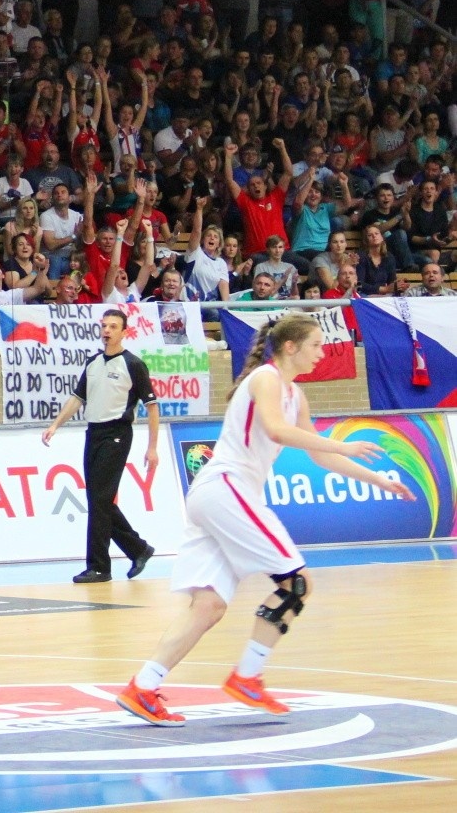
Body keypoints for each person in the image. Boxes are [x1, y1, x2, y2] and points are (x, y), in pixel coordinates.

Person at [116, 314, 414, 726]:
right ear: (290, 347)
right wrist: (342, 445)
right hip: (228, 488)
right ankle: (248, 676)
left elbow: (319, 456)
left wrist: (380, 479)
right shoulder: (266, 379)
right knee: (297, 583)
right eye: (315, 345)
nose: (322, 353)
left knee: (209, 605)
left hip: (216, 495)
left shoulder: (295, 395)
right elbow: (276, 431)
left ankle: (143, 686)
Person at [41, 309, 160, 584]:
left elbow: (152, 407)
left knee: (100, 500)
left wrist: (152, 448)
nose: (107, 330)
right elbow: (77, 398)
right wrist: (55, 425)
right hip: (93, 433)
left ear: (124, 332)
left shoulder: (133, 364)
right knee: (98, 500)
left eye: (113, 326)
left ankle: (99, 567)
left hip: (117, 434)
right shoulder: (93, 363)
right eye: (104, 326)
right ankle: (138, 549)